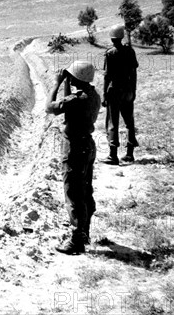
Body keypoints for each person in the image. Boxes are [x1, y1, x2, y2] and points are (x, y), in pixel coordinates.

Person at [46, 61, 101, 255]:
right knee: (85, 190)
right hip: (88, 145)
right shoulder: (92, 95)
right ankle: (84, 232)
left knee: (73, 193)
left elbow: (50, 108)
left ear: (76, 78)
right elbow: (70, 101)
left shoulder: (77, 100)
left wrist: (56, 83)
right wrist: (69, 83)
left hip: (75, 148)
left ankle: (77, 240)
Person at [101, 24, 139, 165]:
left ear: (112, 39)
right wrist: (133, 91)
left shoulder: (110, 53)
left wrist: (104, 94)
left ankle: (113, 155)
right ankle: (130, 153)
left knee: (112, 122)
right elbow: (134, 73)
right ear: (122, 36)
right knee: (129, 121)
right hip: (128, 89)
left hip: (115, 90)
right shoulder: (130, 51)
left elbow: (107, 77)